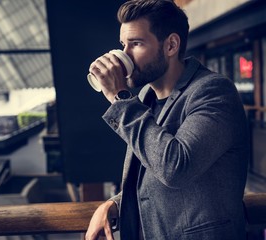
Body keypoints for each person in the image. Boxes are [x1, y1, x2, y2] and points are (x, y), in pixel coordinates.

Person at [85, 0, 249, 239]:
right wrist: (116, 204)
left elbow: (175, 168)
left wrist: (120, 98)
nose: (125, 54)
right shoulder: (145, 97)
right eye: (123, 44)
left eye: (136, 43)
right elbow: (153, 170)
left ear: (171, 45)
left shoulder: (213, 91)